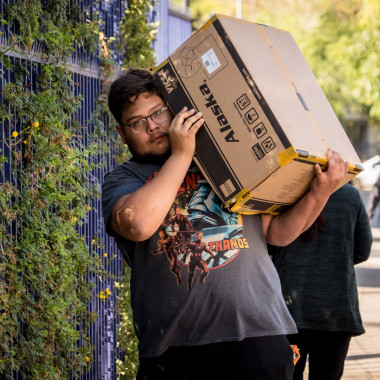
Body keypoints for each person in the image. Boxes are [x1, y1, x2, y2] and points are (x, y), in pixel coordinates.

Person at [101, 68, 349, 380]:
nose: (152, 126)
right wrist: (182, 154)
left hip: (258, 335)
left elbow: (276, 233)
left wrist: (321, 192)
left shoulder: (225, 159)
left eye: (158, 112)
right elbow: (137, 224)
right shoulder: (124, 179)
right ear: (122, 134)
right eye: (137, 122)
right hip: (175, 348)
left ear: (173, 109)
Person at [269, 183, 372, 380]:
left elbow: (269, 246)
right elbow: (361, 251)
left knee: (287, 375)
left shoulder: (285, 190)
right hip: (336, 311)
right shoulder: (351, 196)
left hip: (288, 312)